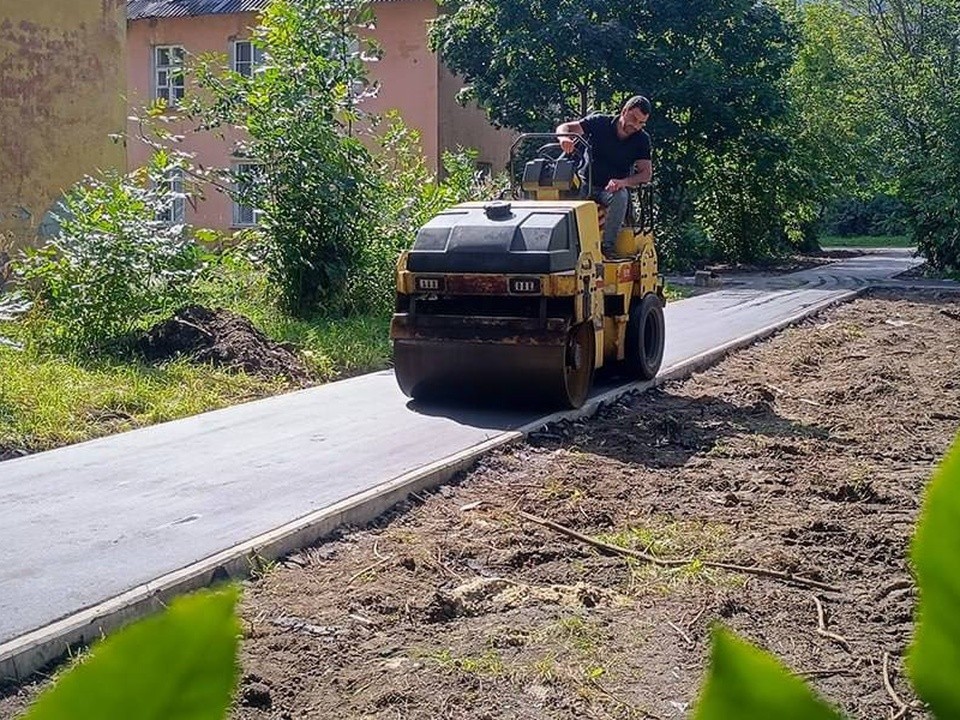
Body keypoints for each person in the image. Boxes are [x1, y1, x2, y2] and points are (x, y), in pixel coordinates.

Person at [556, 95, 653, 258]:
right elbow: (565, 127)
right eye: (634, 119)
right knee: (562, 197)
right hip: (585, 183)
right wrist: (564, 139)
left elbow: (646, 174)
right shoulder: (600, 123)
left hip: (609, 190)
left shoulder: (642, 140)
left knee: (621, 196)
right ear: (624, 111)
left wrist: (623, 182)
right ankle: (563, 247)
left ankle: (607, 247)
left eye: (641, 123)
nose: (636, 126)